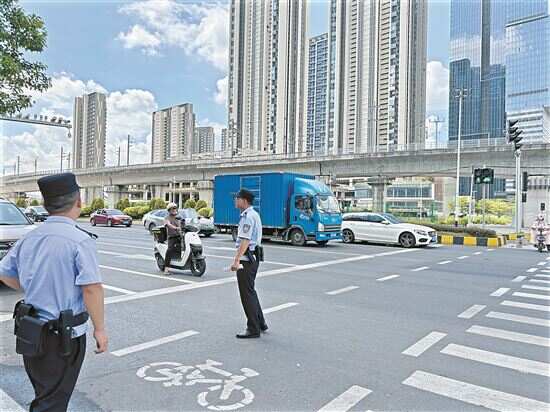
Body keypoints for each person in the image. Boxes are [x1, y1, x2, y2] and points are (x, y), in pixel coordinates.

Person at [0, 172, 108, 412]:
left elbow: (5, 273)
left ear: (46, 204)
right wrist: (100, 329)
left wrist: (33, 287)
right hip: (62, 338)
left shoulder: (30, 237)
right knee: (52, 403)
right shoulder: (80, 240)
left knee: (45, 395)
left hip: (31, 332)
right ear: (78, 201)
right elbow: (91, 289)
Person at [230, 189, 267, 339]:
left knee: (246, 294)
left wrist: (236, 260)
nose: (235, 200)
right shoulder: (253, 214)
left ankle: (253, 328)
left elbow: (245, 240)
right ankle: (260, 323)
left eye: (237, 198)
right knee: (251, 291)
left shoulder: (248, 217)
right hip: (253, 257)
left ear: (244, 200)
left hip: (247, 259)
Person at [164, 202, 182, 274]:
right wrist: (175, 228)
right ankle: (166, 269)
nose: (174, 210)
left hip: (180, 236)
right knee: (170, 250)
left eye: (175, 208)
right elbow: (168, 224)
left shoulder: (178, 217)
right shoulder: (167, 218)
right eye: (173, 209)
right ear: (169, 210)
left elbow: (183, 223)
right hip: (172, 237)